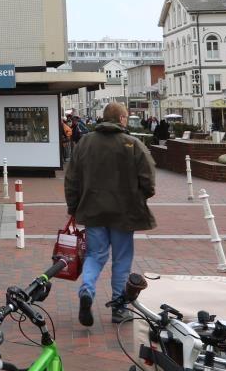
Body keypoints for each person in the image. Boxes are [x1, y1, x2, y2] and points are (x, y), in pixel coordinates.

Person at [64, 101, 157, 326]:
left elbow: (72, 179)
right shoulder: (132, 144)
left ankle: (87, 290)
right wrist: (139, 197)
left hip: (93, 210)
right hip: (124, 213)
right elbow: (148, 181)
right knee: (122, 259)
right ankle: (118, 307)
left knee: (96, 256)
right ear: (122, 119)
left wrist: (74, 207)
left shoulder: (85, 143)